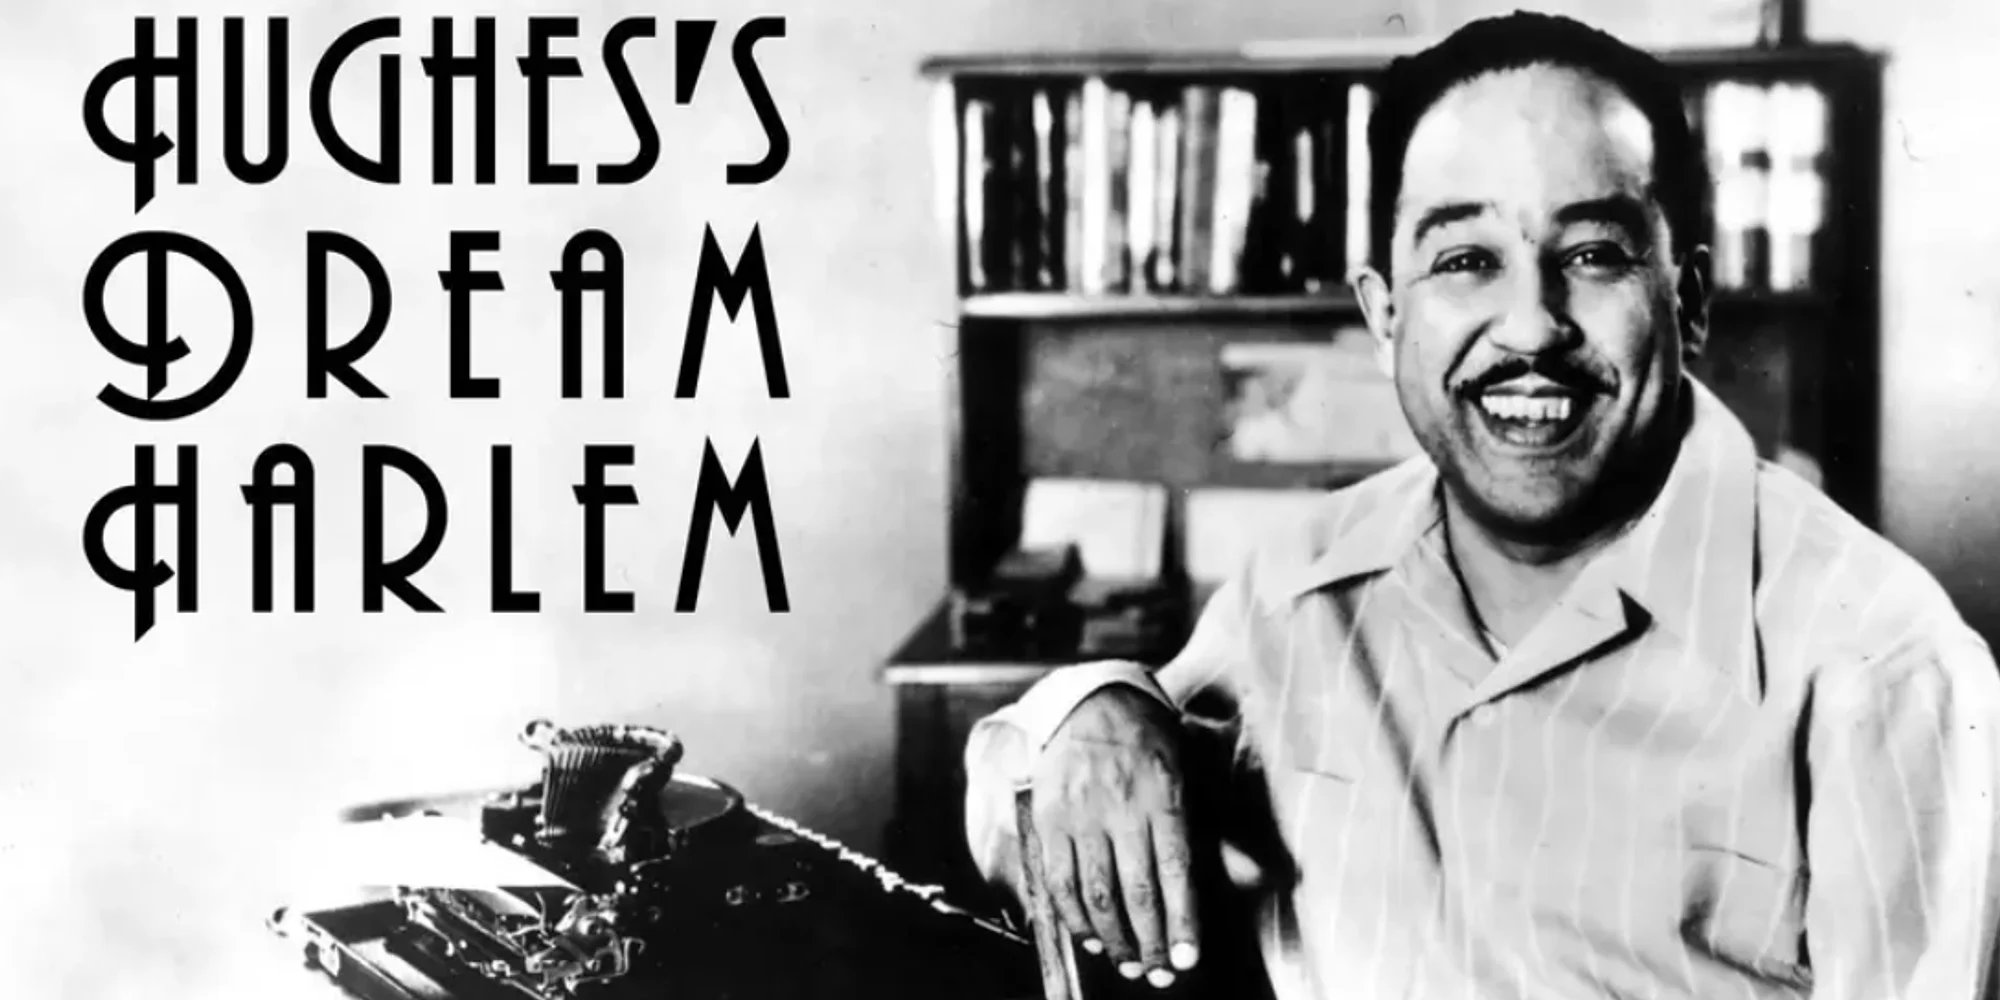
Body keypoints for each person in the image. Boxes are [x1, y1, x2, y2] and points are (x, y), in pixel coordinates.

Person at [962, 12, 2000, 999]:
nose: (1530, 326)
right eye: (1465, 261)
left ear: (1685, 303)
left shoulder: (1881, 663)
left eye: (1592, 255)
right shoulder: (1298, 590)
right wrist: (1091, 711)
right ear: (1385, 316)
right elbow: (1023, 819)